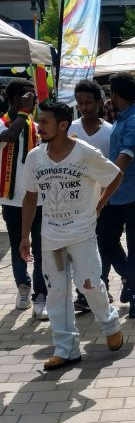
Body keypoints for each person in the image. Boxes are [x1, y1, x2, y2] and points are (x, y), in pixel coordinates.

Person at [20, 101, 123, 370]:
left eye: (45, 122)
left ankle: (110, 324)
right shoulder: (35, 157)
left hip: (82, 232)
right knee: (56, 293)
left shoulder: (84, 153)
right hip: (51, 237)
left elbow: (115, 174)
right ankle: (66, 348)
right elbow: (30, 198)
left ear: (63, 125)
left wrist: (99, 204)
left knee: (90, 285)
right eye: (39, 121)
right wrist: (24, 236)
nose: (39, 127)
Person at [97, 72, 135, 319]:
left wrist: (102, 197)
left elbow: (122, 160)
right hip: (117, 193)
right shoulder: (123, 118)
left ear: (116, 95)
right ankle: (131, 279)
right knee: (106, 237)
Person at [0, 79, 47, 319]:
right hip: (10, 200)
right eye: (30, 98)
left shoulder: (35, 125)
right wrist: (23, 113)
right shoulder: (3, 123)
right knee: (20, 247)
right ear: (17, 100)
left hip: (38, 199)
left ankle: (41, 295)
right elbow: (8, 136)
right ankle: (23, 287)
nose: (34, 102)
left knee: (40, 248)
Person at [70, 79, 115, 314]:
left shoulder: (110, 132)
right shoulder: (70, 130)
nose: (84, 107)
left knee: (102, 246)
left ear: (99, 103)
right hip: (75, 202)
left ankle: (100, 286)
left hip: (103, 201)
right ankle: (84, 293)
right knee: (79, 249)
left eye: (88, 102)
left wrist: (105, 198)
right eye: (80, 103)